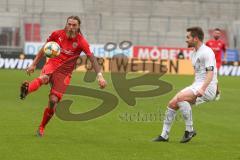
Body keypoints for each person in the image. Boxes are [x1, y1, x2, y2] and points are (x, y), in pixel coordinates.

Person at [20, 15, 107, 137]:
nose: (71, 27)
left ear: (78, 27)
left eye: (74, 25)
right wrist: (33, 64)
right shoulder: (56, 34)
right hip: (52, 64)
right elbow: (44, 49)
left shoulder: (81, 42)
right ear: (66, 24)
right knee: (44, 78)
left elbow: (92, 59)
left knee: (53, 101)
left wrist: (100, 76)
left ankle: (41, 127)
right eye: (69, 24)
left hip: (65, 73)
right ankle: (26, 90)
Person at [153, 27, 218, 143]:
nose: (186, 40)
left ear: (196, 38)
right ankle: (164, 135)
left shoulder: (207, 52)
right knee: (172, 103)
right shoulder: (194, 53)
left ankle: (189, 130)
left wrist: (203, 89)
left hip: (206, 87)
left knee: (181, 98)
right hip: (197, 84)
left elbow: (210, 73)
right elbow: (199, 74)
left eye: (188, 37)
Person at [206, 28, 227, 100]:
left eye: (218, 33)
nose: (217, 34)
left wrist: (225, 58)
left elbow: (225, 51)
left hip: (217, 62)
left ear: (220, 35)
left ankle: (217, 92)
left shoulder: (222, 43)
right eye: (216, 33)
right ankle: (215, 91)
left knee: (213, 76)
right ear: (213, 34)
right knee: (209, 77)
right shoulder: (208, 42)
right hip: (209, 62)